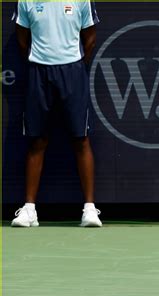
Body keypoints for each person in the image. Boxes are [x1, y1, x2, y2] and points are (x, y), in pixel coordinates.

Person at [11, 0, 102, 227]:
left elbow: (89, 38)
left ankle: (90, 210)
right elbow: (22, 40)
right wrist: (42, 62)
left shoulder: (82, 1)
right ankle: (30, 210)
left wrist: (74, 65)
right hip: (38, 73)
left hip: (73, 71)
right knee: (37, 140)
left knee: (80, 138)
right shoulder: (26, 1)